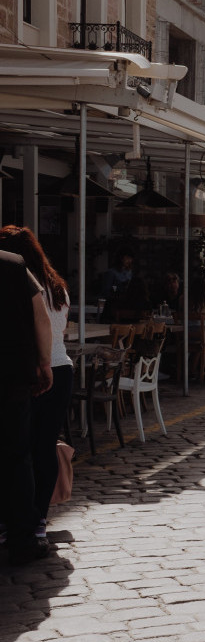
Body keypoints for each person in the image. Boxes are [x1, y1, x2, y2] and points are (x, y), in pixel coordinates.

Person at [0, 227, 71, 546]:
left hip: (37, 371)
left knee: (22, 450)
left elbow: (36, 326)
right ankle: (38, 518)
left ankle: (22, 519)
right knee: (43, 448)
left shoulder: (17, 282)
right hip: (62, 367)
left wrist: (41, 364)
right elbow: (60, 328)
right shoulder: (57, 286)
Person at [0, 247, 53, 565]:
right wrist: (45, 363)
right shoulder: (13, 265)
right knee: (17, 457)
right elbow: (40, 314)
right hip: (11, 378)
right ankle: (21, 540)